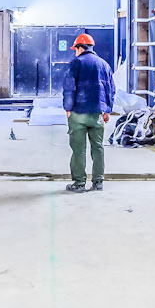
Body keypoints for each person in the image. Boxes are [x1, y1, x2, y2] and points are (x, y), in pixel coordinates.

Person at [62, 30, 114, 194]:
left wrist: (68, 108)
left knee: (79, 149)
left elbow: (69, 88)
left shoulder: (76, 63)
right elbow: (110, 90)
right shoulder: (104, 64)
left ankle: (79, 183)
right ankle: (98, 182)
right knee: (98, 148)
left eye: (75, 49)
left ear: (79, 48)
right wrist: (107, 110)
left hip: (78, 113)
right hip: (97, 113)